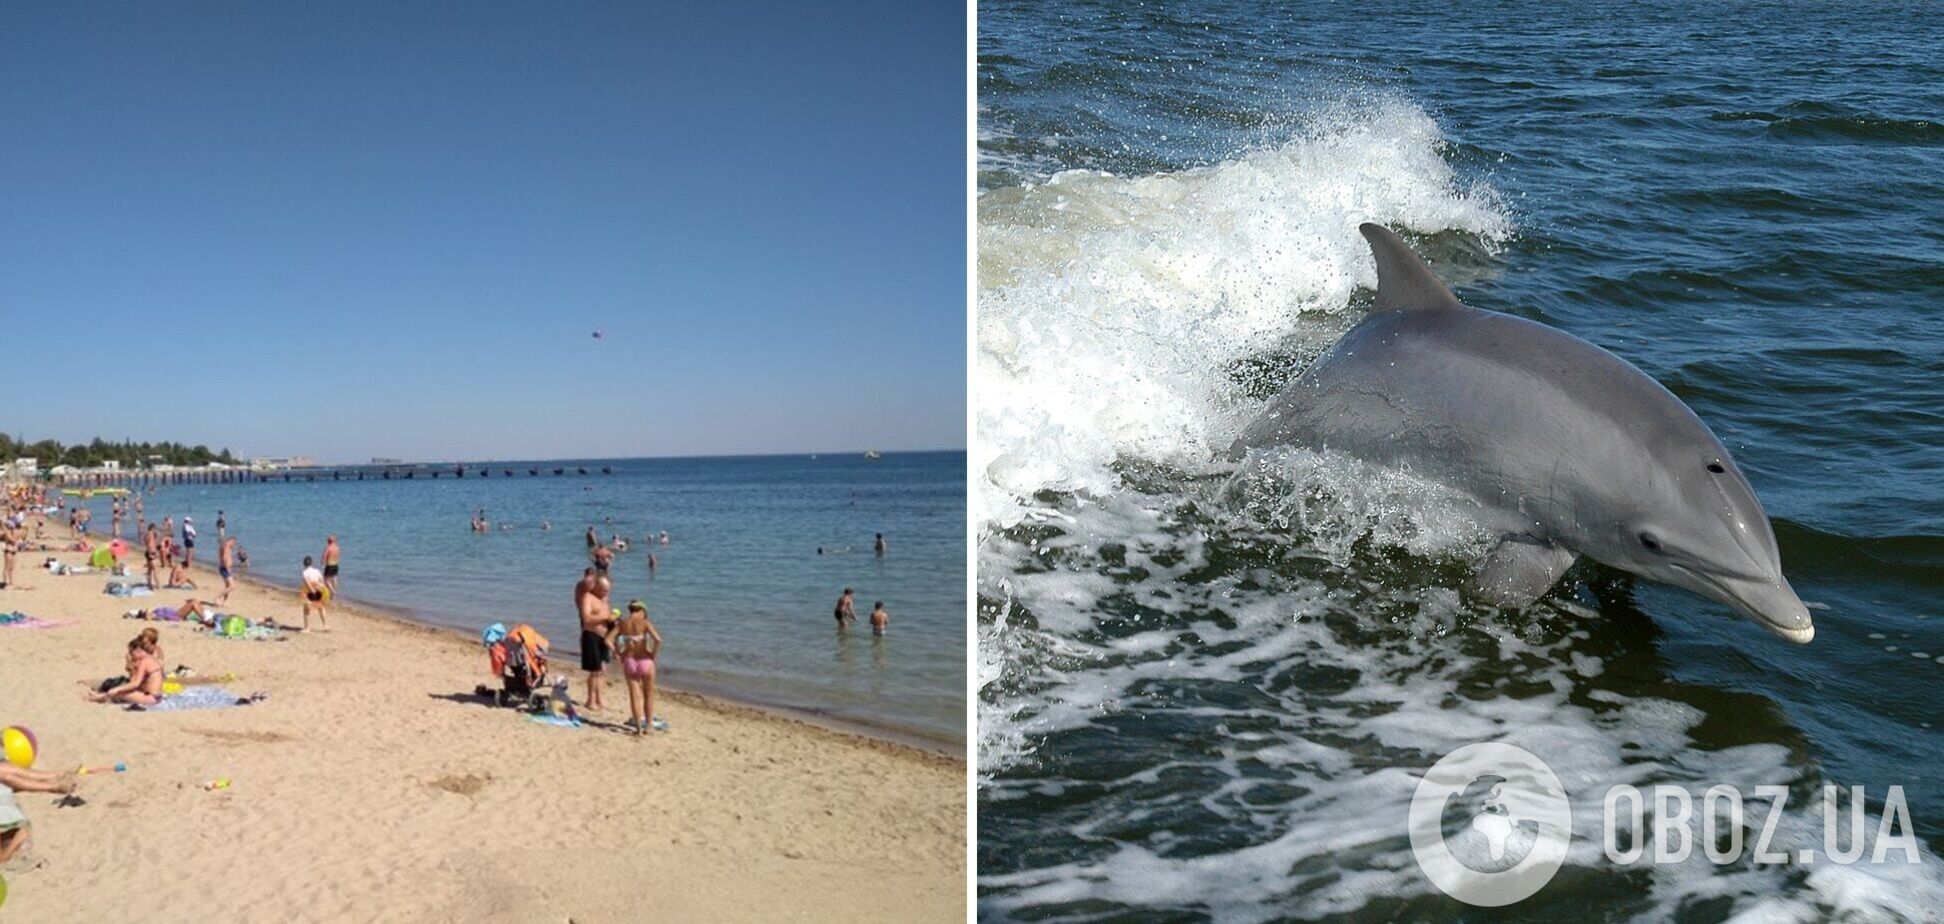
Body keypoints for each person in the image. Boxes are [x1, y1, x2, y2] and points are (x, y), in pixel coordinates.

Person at [605, 599, 664, 735]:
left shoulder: (622, 624)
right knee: (648, 695)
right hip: (645, 660)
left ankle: (638, 728)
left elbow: (607, 640)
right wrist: (653, 654)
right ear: (642, 611)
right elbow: (658, 640)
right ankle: (649, 726)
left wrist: (617, 653)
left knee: (634, 696)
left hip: (629, 661)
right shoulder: (645, 623)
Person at [86, 635, 165, 705]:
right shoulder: (151, 659)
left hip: (151, 698)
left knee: (118, 693)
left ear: (138, 650)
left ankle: (97, 698)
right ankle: (100, 696)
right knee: (121, 692)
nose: (131, 655)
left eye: (131, 652)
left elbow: (136, 683)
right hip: (156, 696)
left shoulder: (144, 661)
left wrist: (117, 689)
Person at [576, 569, 614, 710]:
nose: (606, 593)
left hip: (604, 637)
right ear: (597, 586)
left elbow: (608, 617)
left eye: (608, 590)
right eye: (604, 590)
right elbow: (586, 619)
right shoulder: (588, 597)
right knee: (595, 671)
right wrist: (605, 617)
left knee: (602, 670)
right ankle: (590, 700)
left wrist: (613, 621)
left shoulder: (605, 600)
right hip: (591, 635)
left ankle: (599, 699)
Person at [300, 555, 329, 632]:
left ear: (304, 564)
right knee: (321, 608)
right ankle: (325, 626)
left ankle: (307, 628)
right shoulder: (317, 571)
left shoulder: (304, 572)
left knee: (306, 609)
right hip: (319, 591)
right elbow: (322, 582)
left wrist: (312, 590)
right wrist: (323, 591)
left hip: (310, 592)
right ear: (312, 563)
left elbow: (307, 582)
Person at [218, 535, 238, 603]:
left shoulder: (226, 546)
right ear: (232, 542)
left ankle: (224, 601)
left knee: (227, 586)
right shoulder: (226, 546)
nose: (234, 546)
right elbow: (224, 557)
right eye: (234, 544)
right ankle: (218, 598)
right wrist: (227, 568)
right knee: (232, 586)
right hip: (225, 568)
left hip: (225, 568)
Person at [143, 522, 161, 588]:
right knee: (155, 570)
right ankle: (157, 585)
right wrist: (153, 553)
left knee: (149, 570)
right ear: (153, 528)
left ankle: (149, 584)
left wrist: (156, 537)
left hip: (148, 552)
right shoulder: (150, 534)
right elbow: (150, 544)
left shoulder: (147, 534)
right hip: (151, 553)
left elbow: (149, 543)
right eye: (155, 528)